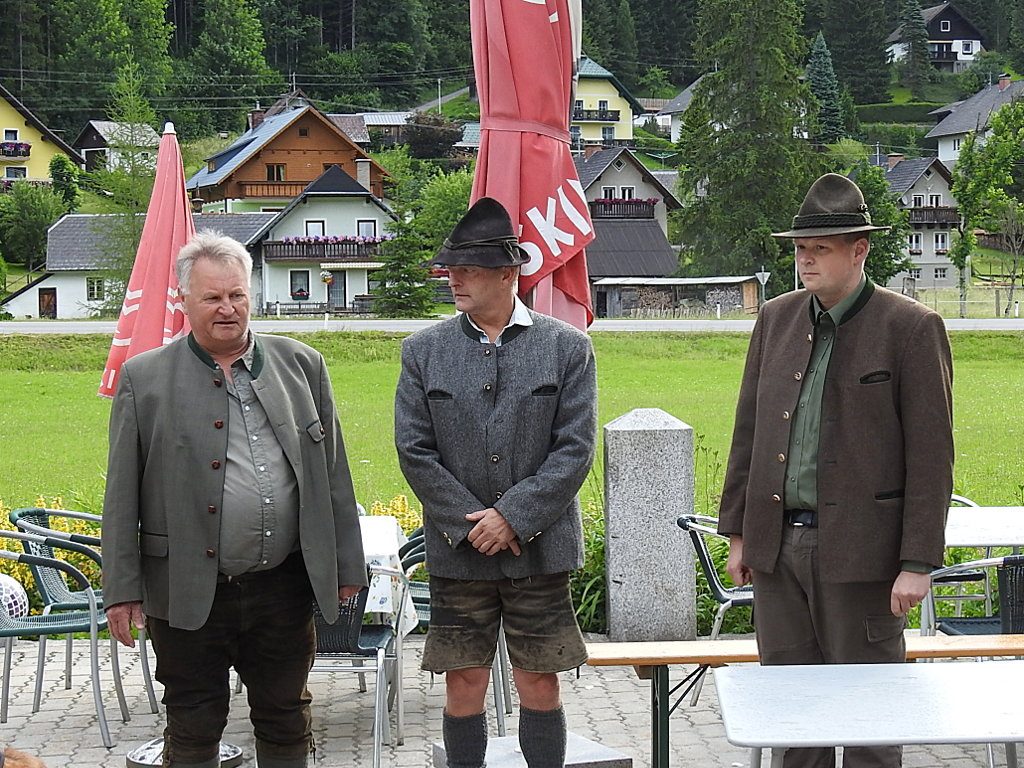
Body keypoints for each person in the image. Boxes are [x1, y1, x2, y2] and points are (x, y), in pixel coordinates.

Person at [101, 231, 367, 768]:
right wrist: (122, 590)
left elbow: (332, 476)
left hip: (282, 588)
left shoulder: (303, 366)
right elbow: (121, 493)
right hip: (185, 591)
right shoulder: (144, 378)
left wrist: (346, 565)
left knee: (286, 719)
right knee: (194, 727)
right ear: (184, 301)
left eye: (237, 295)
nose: (228, 308)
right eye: (213, 297)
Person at [718, 173, 954, 768]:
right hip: (778, 552)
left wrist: (917, 563)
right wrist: (741, 534)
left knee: (870, 721)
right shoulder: (775, 318)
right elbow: (748, 433)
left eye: (820, 249)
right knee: (794, 721)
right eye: (800, 249)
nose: (806, 261)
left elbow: (932, 456)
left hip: (864, 556)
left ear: (860, 250)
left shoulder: (910, 328)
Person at [394, 197, 597, 768]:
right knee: (463, 683)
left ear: (509, 275)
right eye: (451, 268)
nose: (453, 278)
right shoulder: (422, 351)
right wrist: (474, 524)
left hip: (540, 550)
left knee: (541, 683)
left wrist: (513, 517)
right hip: (460, 555)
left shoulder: (567, 348)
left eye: (469, 269)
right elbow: (414, 452)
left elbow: (574, 449)